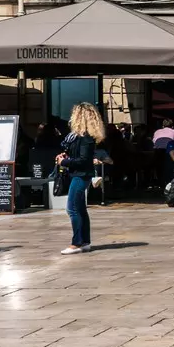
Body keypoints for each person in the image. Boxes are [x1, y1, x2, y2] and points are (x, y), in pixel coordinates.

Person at [58, 101, 101, 254]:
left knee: (72, 209)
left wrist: (64, 162)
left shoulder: (86, 138)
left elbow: (84, 160)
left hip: (81, 175)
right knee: (81, 209)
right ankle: (85, 242)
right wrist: (65, 156)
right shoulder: (76, 137)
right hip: (78, 174)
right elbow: (78, 155)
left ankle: (76, 243)